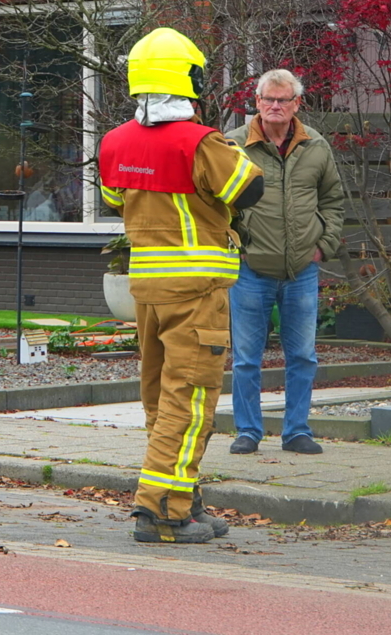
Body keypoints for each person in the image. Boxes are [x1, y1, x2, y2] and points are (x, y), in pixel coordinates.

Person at [99, 27, 265, 543]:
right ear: (187, 77)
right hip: (196, 291)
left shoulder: (114, 141)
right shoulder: (200, 141)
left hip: (146, 291)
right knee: (190, 402)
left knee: (160, 402)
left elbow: (112, 198)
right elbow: (250, 188)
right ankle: (161, 512)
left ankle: (184, 499)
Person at [225, 69, 345, 456]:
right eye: (268, 99)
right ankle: (247, 431)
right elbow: (217, 205)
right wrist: (235, 246)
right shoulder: (234, 146)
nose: (275, 106)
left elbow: (333, 201)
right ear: (257, 102)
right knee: (246, 359)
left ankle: (297, 431)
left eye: (284, 100)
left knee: (303, 357)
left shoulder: (317, 147)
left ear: (297, 104)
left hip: (302, 271)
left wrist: (322, 246)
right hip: (250, 269)